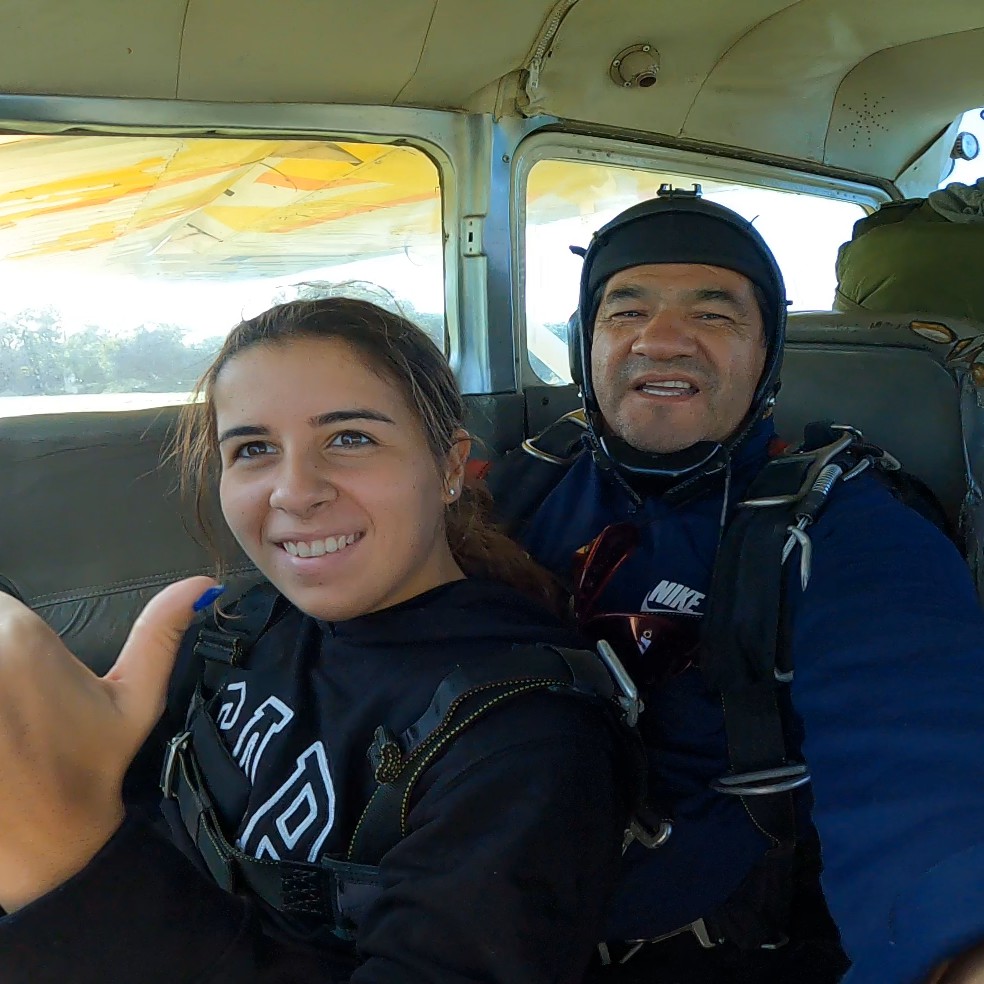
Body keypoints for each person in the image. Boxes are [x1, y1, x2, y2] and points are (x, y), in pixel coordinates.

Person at [0, 297, 632, 984]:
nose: (293, 492)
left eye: (350, 438)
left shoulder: (525, 737)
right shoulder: (240, 625)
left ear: (450, 467)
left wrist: (74, 880)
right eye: (254, 450)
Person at [489, 188, 984, 984]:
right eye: (625, 311)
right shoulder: (531, 481)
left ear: (767, 357)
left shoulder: (842, 528)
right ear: (588, 344)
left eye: (714, 315)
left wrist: (952, 943)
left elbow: (915, 753)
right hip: (480, 899)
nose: (663, 340)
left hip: (708, 941)